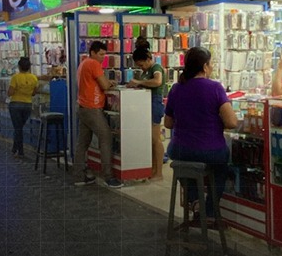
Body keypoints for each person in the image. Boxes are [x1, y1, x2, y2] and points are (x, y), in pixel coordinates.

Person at [164, 46, 238, 218]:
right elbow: (232, 122)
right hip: (211, 151)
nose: (211, 67)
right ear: (205, 67)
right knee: (222, 167)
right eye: (211, 64)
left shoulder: (176, 88)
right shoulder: (215, 88)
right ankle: (210, 209)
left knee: (183, 167)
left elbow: (168, 123)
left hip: (180, 150)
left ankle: (194, 200)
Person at [71, 41, 124, 188]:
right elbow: (105, 85)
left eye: (104, 54)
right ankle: (108, 176)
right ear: (93, 52)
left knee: (82, 143)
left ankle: (79, 176)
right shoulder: (94, 64)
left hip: (83, 106)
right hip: (92, 108)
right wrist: (110, 83)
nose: (103, 57)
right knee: (106, 136)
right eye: (101, 54)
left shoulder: (83, 64)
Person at [128, 38, 167, 181]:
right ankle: (152, 169)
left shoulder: (156, 68)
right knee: (150, 139)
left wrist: (139, 82)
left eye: (142, 64)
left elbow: (158, 81)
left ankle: (159, 172)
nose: (142, 68)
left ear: (148, 59)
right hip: (146, 105)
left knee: (155, 139)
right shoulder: (147, 71)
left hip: (154, 104)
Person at [6, 57, 38, 159]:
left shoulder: (15, 77)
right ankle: (14, 148)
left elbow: (10, 92)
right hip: (27, 105)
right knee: (19, 127)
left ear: (19, 66)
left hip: (15, 105)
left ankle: (20, 151)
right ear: (29, 67)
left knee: (18, 128)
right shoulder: (34, 78)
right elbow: (34, 93)